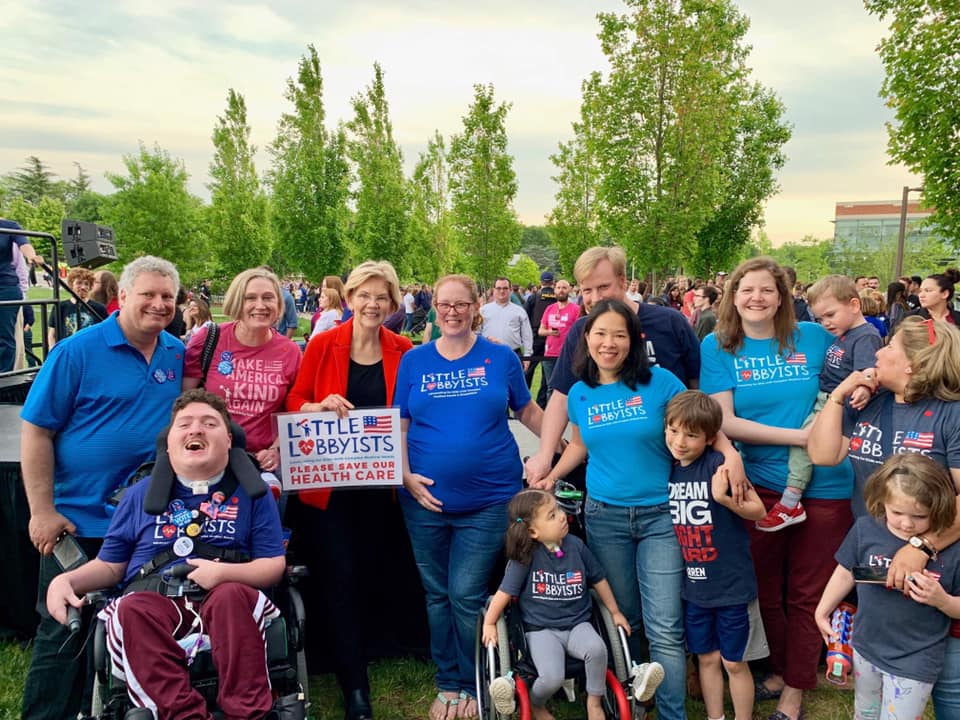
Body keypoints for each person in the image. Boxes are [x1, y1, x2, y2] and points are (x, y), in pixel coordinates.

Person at [538, 300, 746, 720]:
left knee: (665, 626)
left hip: (661, 517)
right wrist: (549, 474)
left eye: (619, 334)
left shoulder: (661, 382)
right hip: (604, 515)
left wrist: (731, 456)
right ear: (585, 338)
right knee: (625, 619)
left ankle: (672, 713)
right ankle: (634, 703)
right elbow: (579, 444)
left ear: (633, 341)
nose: (608, 343)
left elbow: (703, 422)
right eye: (599, 334)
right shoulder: (580, 392)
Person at [46, 389, 286, 720]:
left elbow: (273, 566)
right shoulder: (139, 495)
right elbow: (110, 566)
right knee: (128, 610)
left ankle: (248, 713)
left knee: (231, 596)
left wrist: (224, 574)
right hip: (154, 601)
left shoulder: (253, 493)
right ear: (169, 443)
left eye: (210, 423)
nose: (196, 430)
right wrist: (66, 580)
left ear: (229, 440)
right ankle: (183, 714)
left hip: (231, 600)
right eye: (184, 424)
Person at [20, 256, 184, 720]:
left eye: (167, 297)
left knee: (137, 631)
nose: (158, 304)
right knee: (65, 632)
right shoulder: (76, 352)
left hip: (146, 522)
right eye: (148, 294)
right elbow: (36, 431)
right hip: (78, 520)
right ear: (124, 296)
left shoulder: (176, 353)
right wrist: (42, 510)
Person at [699, 256, 854, 720]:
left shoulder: (814, 336)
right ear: (732, 296)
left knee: (809, 591)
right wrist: (802, 437)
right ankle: (781, 668)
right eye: (747, 290)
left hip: (826, 482)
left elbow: (858, 372)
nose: (757, 298)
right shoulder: (717, 345)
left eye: (768, 289)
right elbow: (723, 419)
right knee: (764, 588)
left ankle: (795, 689)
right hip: (760, 483)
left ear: (784, 296)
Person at [396, 273, 543, 720]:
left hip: (489, 498)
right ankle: (449, 682)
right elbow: (399, 423)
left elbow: (528, 410)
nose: (452, 312)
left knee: (464, 593)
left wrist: (566, 446)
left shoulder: (500, 358)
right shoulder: (415, 361)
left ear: (476, 305)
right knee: (436, 594)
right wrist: (404, 476)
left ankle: (475, 680)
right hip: (423, 501)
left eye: (461, 304)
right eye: (444, 304)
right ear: (434, 307)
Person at [806, 316, 960, 716]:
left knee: (949, 691)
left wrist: (922, 545)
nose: (878, 352)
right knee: (875, 684)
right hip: (876, 566)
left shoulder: (951, 414)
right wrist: (839, 396)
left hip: (941, 568)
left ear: (915, 363)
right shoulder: (869, 402)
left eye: (889, 347)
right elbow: (822, 455)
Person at [286, 260, 413, 720]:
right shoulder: (322, 343)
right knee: (337, 575)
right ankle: (353, 683)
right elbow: (294, 401)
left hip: (382, 487)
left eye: (382, 297)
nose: (373, 304)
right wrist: (318, 405)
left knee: (372, 569)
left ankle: (374, 646)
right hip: (329, 487)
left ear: (393, 303)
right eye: (365, 295)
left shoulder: (404, 348)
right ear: (350, 297)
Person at [525, 246, 701, 487]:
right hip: (611, 477)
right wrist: (545, 456)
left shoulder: (671, 322)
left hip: (676, 467)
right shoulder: (581, 331)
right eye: (587, 290)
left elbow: (698, 390)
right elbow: (561, 397)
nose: (595, 297)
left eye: (603, 287)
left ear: (622, 281)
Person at [814, 454, 960, 720]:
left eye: (919, 516)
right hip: (865, 648)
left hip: (916, 659)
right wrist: (822, 610)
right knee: (865, 713)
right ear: (881, 502)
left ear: (939, 508)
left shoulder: (952, 548)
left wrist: (942, 601)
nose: (906, 523)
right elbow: (846, 571)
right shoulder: (866, 529)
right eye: (897, 512)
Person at [482, 489, 649, 720]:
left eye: (558, 510)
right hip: (542, 630)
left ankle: (594, 703)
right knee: (552, 677)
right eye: (551, 515)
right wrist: (490, 623)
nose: (561, 516)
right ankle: (535, 702)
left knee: (598, 649)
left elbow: (599, 579)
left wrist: (615, 612)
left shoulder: (576, 547)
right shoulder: (525, 557)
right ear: (532, 531)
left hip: (578, 624)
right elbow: (503, 593)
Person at [665, 390, 766, 720]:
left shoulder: (719, 465)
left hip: (731, 585)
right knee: (706, 658)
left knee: (734, 661)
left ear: (710, 438)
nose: (680, 441)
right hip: (694, 589)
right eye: (674, 430)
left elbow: (758, 511)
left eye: (691, 435)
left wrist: (725, 501)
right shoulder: (667, 469)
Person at [757, 275, 881, 532]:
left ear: (855, 305)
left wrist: (863, 390)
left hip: (838, 404)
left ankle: (791, 501)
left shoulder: (865, 336)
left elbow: (868, 371)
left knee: (805, 443)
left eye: (831, 315)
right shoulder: (845, 333)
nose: (826, 323)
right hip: (826, 399)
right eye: (820, 318)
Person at [184, 266, 301, 471]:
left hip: (263, 464)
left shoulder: (290, 352)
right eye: (250, 298)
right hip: (211, 460)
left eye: (268, 298)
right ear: (238, 302)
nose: (260, 305)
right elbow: (185, 403)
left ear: (278, 303)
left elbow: (295, 412)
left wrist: (276, 450)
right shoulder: (209, 339)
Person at [1, 217, 42, 372]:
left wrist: (32, 256)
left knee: (4, 338)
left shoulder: (9, 226)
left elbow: (24, 244)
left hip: (5, 287)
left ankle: (4, 381)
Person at [537, 278, 580, 408]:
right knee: (551, 386)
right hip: (550, 353)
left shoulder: (576, 309)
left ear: (570, 290)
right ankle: (552, 414)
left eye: (564, 288)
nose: (561, 290)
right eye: (559, 288)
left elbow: (579, 331)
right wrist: (550, 332)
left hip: (568, 354)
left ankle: (571, 414)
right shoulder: (550, 308)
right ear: (555, 290)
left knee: (570, 386)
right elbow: (541, 331)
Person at [481, 276, 534, 367]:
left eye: (505, 288)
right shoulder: (483, 310)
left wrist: (527, 356)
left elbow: (527, 335)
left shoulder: (519, 311)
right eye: (498, 288)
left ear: (510, 290)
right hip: (488, 354)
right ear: (494, 290)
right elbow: (476, 333)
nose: (502, 291)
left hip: (513, 353)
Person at [48, 266, 107, 347]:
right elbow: (52, 335)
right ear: (71, 285)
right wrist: (53, 353)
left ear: (90, 287)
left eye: (86, 284)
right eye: (79, 283)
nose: (83, 287)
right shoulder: (60, 307)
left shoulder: (100, 308)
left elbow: (105, 334)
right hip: (67, 352)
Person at [524, 271, 557, 394]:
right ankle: (542, 402)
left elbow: (525, 317)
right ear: (553, 282)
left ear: (541, 282)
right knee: (547, 374)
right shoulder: (558, 298)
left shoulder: (533, 297)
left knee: (529, 369)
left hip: (535, 338)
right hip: (552, 339)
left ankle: (523, 397)